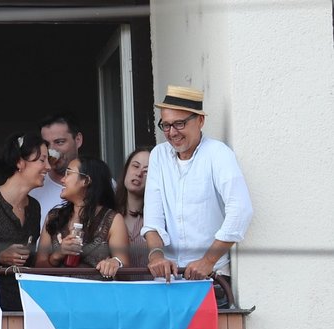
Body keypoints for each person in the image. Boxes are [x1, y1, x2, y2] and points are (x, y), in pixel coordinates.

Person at [142, 85, 253, 307]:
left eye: (179, 124)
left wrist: (208, 260)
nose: (172, 133)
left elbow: (241, 209)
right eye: (166, 125)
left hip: (211, 280)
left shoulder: (217, 153)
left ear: (200, 121)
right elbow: (153, 220)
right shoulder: (159, 155)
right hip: (169, 281)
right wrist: (156, 256)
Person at [0, 132, 50, 310]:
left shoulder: (34, 207)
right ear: (20, 162)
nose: (48, 167)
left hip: (21, 301)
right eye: (42, 160)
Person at [36, 157, 129, 280]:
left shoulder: (112, 219)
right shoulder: (54, 217)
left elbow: (126, 269)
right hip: (57, 295)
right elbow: (38, 268)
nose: (63, 180)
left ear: (86, 181)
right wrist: (57, 255)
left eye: (68, 173)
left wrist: (115, 263)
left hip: (96, 295)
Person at [29, 112, 84, 229]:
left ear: (78, 140)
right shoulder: (32, 187)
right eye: (46, 144)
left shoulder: (101, 183)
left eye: (59, 142)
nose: (52, 150)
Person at [114, 147, 150, 269]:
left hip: (150, 287)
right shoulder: (108, 213)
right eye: (135, 166)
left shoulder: (159, 218)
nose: (139, 174)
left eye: (146, 171)